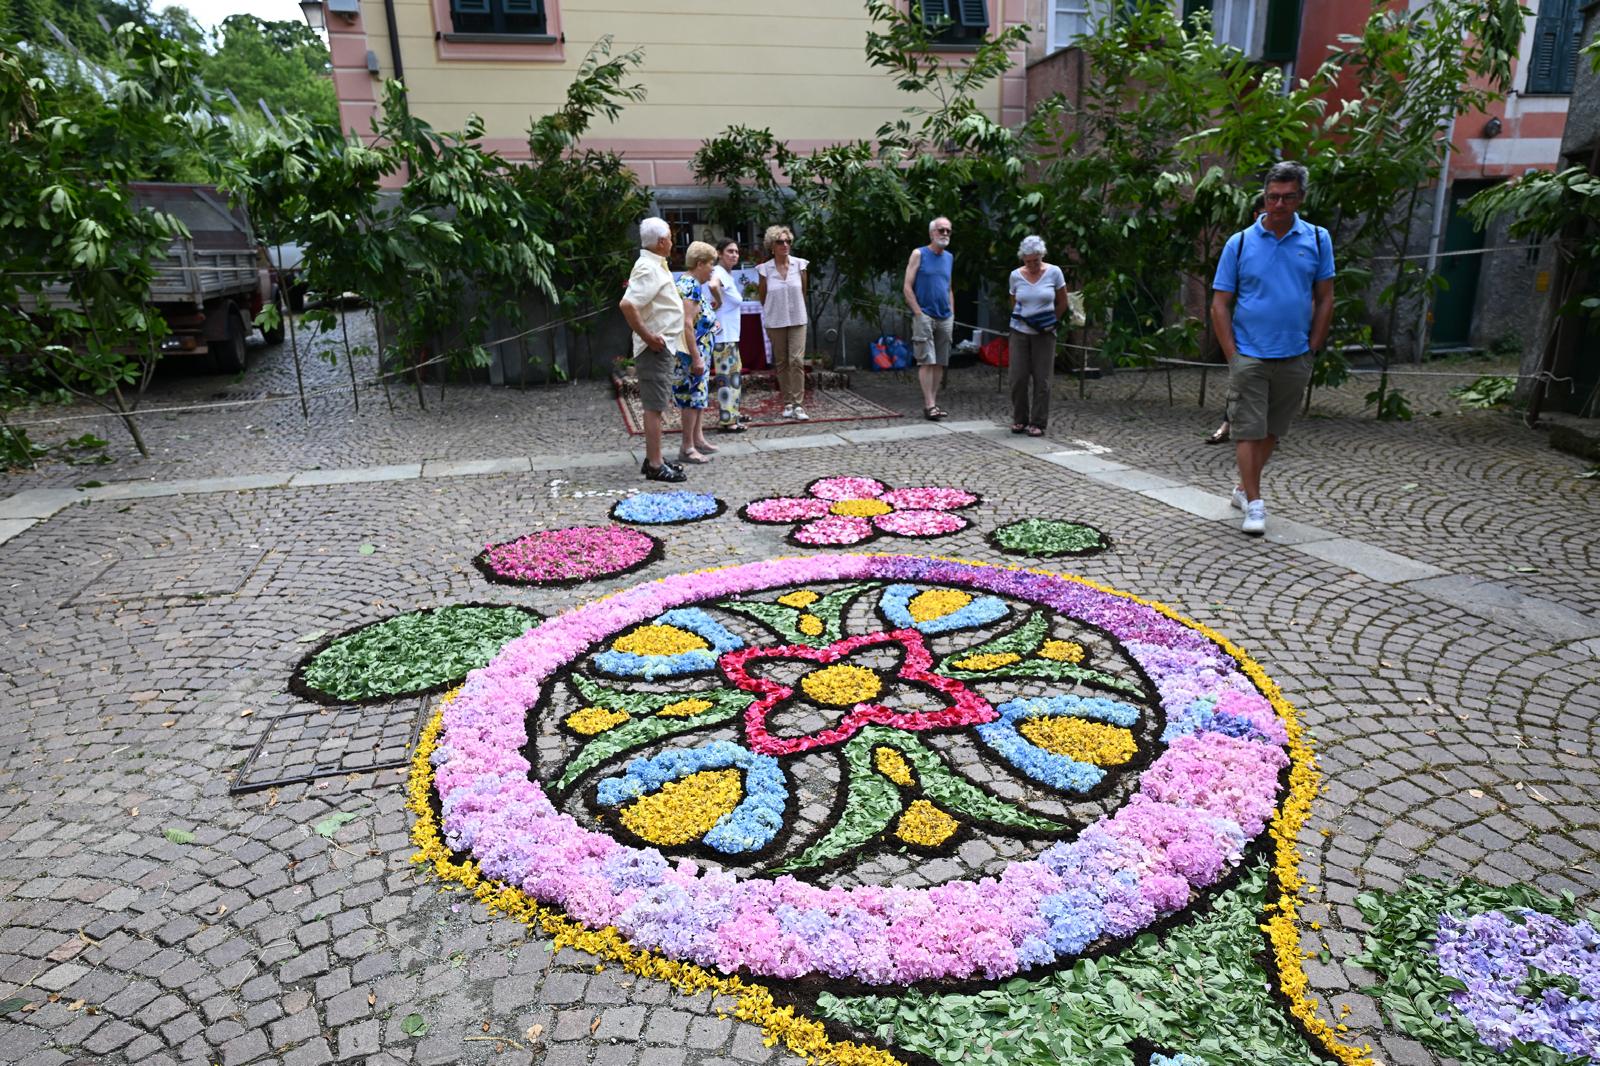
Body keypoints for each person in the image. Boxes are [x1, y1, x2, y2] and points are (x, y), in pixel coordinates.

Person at [1211, 161, 1335, 536]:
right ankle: (1256, 503)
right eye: (1272, 197)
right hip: (1249, 353)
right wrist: (1232, 355)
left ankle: (1242, 490)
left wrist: (1313, 346)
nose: (1279, 204)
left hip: (1295, 353)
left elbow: (1325, 298)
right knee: (1248, 430)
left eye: (1287, 197)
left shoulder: (1317, 239)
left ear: (1301, 198)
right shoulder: (1240, 243)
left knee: (1272, 431)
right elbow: (1220, 304)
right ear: (1264, 197)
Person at [618, 217, 687, 482]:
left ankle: (654, 457)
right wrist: (648, 336)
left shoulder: (655, 264)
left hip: (661, 345)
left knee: (658, 404)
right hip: (655, 348)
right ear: (660, 242)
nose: (672, 242)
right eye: (670, 237)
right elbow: (627, 305)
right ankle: (655, 465)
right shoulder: (648, 267)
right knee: (654, 407)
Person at [1206, 194, 1267, 445]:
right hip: (1246, 331)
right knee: (1240, 380)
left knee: (1269, 384)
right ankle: (1228, 423)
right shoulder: (1241, 245)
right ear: (1255, 216)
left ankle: (1265, 429)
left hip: (1277, 332)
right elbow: (1222, 297)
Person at [1007, 235, 1067, 437]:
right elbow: (1013, 301)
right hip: (1020, 331)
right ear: (1023, 259)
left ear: (1042, 256)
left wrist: (1051, 321)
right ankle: (1020, 419)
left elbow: (1063, 302)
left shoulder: (1054, 272)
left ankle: (1038, 422)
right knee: (1018, 378)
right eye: (1028, 261)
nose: (1032, 265)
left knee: (1043, 379)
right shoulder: (1015, 275)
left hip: (1045, 334)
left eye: (1036, 261)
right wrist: (1024, 317)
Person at [903, 216, 954, 420]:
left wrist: (952, 313)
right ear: (932, 233)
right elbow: (907, 287)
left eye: (948, 230)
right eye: (941, 230)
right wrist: (918, 313)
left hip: (945, 316)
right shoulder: (919, 254)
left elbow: (949, 287)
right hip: (924, 314)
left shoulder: (949, 257)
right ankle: (929, 404)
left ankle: (933, 402)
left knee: (940, 361)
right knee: (926, 360)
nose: (945, 234)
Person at [756, 225, 809, 420]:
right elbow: (763, 296)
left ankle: (798, 404)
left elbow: (803, 292)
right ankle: (787, 402)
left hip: (797, 318)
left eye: (788, 241)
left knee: (797, 360)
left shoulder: (800, 265)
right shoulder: (764, 269)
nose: (785, 245)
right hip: (776, 319)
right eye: (780, 242)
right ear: (772, 246)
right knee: (782, 361)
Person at [674, 241, 719, 464]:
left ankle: (697, 439)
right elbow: (687, 324)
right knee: (691, 398)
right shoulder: (690, 286)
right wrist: (696, 357)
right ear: (700, 263)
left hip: (700, 350)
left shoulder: (691, 284)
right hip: (692, 353)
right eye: (711, 264)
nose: (712, 269)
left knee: (698, 396)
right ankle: (687, 447)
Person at [708, 237, 746, 432]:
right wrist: (719, 301)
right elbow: (713, 285)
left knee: (733, 376)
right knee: (726, 378)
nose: (734, 255)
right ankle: (727, 420)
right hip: (723, 335)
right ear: (719, 254)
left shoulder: (727, 274)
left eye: (736, 252)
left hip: (730, 335)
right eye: (730, 251)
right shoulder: (718, 272)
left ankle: (733, 413)